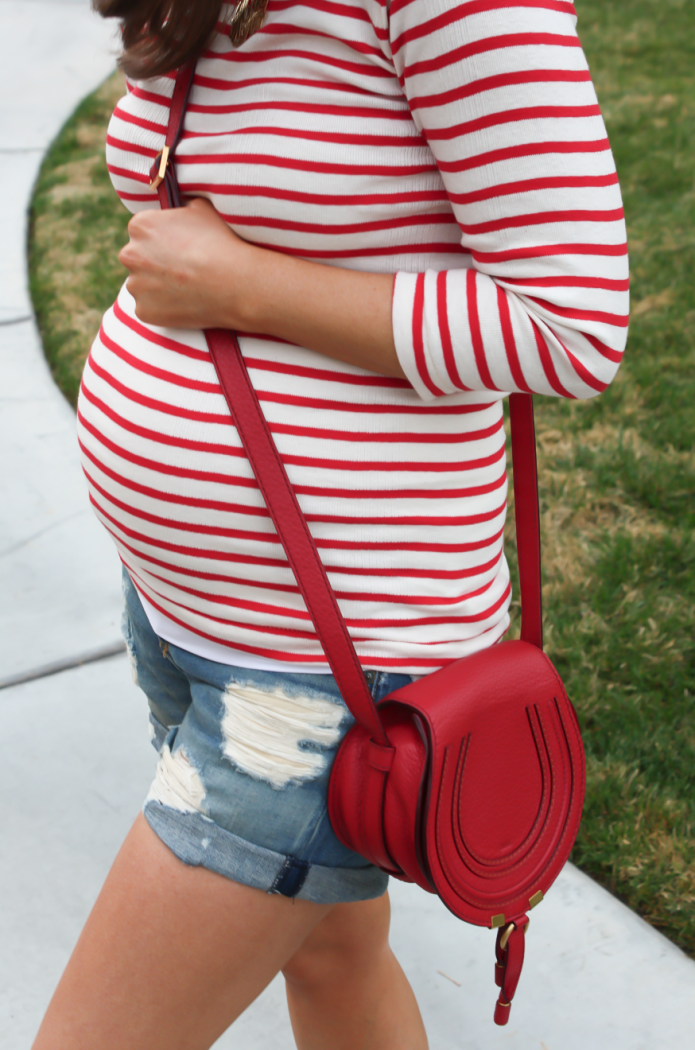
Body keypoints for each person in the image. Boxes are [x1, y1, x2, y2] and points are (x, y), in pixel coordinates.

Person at [32, 1, 628, 1047]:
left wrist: (249, 287)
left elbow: (569, 328)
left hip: (316, 671)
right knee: (331, 954)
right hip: (190, 616)